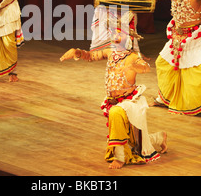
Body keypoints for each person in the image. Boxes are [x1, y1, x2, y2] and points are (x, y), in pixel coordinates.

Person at [60, 12, 167, 169]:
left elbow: (146, 67)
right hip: (114, 101)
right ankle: (159, 138)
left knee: (116, 113)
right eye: (113, 33)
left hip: (130, 101)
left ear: (128, 37)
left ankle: (120, 157)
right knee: (135, 139)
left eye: (120, 34)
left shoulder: (132, 56)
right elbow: (91, 56)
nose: (115, 37)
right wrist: (78, 52)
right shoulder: (109, 53)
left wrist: (138, 67)